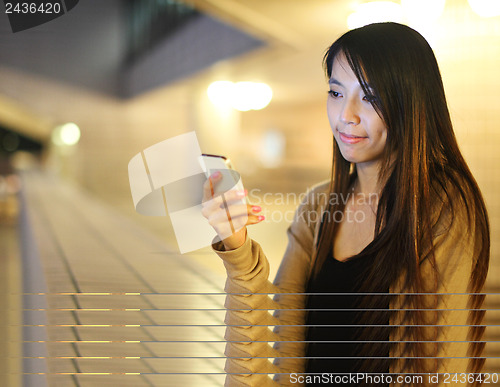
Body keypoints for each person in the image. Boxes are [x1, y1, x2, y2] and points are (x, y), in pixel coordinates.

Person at [201, 22, 490, 386]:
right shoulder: (320, 206)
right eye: (336, 93)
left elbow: (441, 368)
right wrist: (236, 245)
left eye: (370, 97)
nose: (345, 115)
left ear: (411, 102)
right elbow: (272, 364)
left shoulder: (444, 209)